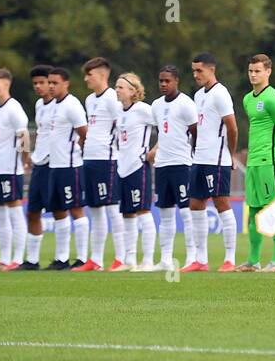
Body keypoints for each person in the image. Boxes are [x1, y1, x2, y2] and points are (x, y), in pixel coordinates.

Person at [184, 53, 239, 272]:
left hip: (217, 159)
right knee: (195, 204)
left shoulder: (221, 94)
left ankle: (230, 259)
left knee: (221, 204)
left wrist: (231, 155)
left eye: (200, 71)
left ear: (211, 70)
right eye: (194, 71)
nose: (196, 75)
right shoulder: (198, 96)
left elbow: (233, 127)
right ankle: (201, 260)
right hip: (199, 158)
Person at [239, 54, 275, 272]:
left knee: (273, 210)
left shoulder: (273, 98)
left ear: (268, 72)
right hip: (253, 162)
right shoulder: (247, 99)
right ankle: (253, 261)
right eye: (251, 70)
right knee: (253, 212)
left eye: (257, 71)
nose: (253, 74)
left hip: (270, 162)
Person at [149, 66, 197, 271]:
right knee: (165, 213)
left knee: (186, 212)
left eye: (167, 81)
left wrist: (194, 158)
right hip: (162, 165)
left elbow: (196, 132)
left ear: (176, 80)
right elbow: (161, 132)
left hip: (182, 164)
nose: (163, 84)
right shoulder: (156, 105)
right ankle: (166, 260)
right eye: (161, 81)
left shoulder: (186, 103)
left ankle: (192, 257)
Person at [78, 57, 123, 271]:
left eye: (90, 74)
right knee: (95, 209)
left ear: (103, 75)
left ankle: (120, 258)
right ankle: (95, 259)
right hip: (90, 159)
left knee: (113, 208)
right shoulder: (89, 100)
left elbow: (122, 127)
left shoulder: (113, 98)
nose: (86, 78)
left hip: (107, 160)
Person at [113, 72, 158, 271]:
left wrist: (154, 151)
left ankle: (147, 260)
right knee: (127, 214)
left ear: (133, 91)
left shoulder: (143, 110)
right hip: (122, 168)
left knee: (143, 211)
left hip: (138, 167)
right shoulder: (118, 111)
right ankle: (129, 260)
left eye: (121, 87)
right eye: (116, 86)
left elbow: (167, 129)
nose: (117, 90)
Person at [0, 68, 30, 270]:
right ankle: (4, 259)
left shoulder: (14, 108)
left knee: (14, 211)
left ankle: (18, 258)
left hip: (10, 169)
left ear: (7, 83)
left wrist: (24, 160)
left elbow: (23, 136)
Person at [46, 67, 89, 270]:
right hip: (55, 165)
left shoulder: (72, 105)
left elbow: (84, 132)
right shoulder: (52, 105)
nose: (51, 86)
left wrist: (76, 152)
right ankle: (61, 258)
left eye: (55, 83)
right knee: (57, 210)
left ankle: (81, 257)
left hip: (70, 166)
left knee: (76, 209)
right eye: (50, 82)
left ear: (66, 83)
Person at [18, 65, 54, 271]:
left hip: (56, 164)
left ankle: (63, 258)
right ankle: (32, 260)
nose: (39, 87)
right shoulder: (40, 105)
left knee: (59, 212)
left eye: (42, 82)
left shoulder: (64, 105)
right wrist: (29, 157)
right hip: (40, 164)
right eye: (35, 84)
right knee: (32, 212)